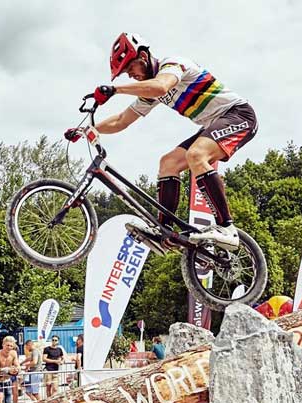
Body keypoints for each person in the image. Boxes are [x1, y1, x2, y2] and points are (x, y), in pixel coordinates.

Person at [76, 33, 259, 249]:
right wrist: (86, 129)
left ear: (143, 56)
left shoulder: (173, 65)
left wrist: (115, 90)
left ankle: (226, 227)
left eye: (130, 68)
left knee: (196, 154)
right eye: (125, 73)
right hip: (214, 124)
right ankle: (164, 230)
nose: (130, 75)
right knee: (168, 163)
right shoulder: (149, 91)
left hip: (238, 115)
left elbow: (161, 87)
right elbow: (121, 120)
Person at [20, 339, 43, 403]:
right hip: (32, 373)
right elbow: (29, 358)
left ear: (29, 345)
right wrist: (21, 363)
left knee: (35, 392)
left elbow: (34, 362)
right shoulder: (34, 352)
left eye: (26, 347)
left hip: (36, 373)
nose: (26, 349)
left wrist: (25, 364)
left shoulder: (35, 351)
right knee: (28, 390)